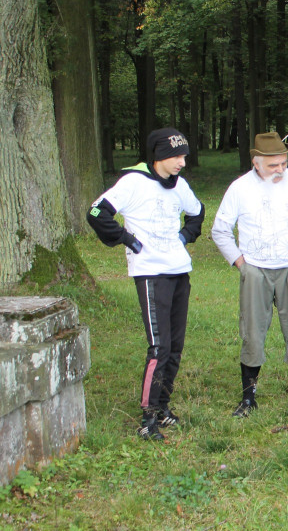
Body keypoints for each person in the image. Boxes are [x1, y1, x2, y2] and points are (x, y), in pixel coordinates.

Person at [87, 128, 205, 440]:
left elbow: (197, 213)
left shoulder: (180, 186)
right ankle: (148, 417)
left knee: (175, 346)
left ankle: (163, 408)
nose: (182, 162)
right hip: (151, 274)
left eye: (184, 156)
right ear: (158, 156)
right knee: (159, 347)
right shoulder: (133, 183)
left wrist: (183, 237)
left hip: (180, 271)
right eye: (176, 156)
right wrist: (128, 240)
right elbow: (97, 213)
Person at [211, 132, 288, 417]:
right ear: (256, 162)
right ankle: (248, 398)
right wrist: (241, 264)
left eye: (283, 163)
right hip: (255, 269)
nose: (280, 170)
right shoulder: (239, 188)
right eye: (273, 165)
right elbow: (220, 229)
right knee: (252, 331)